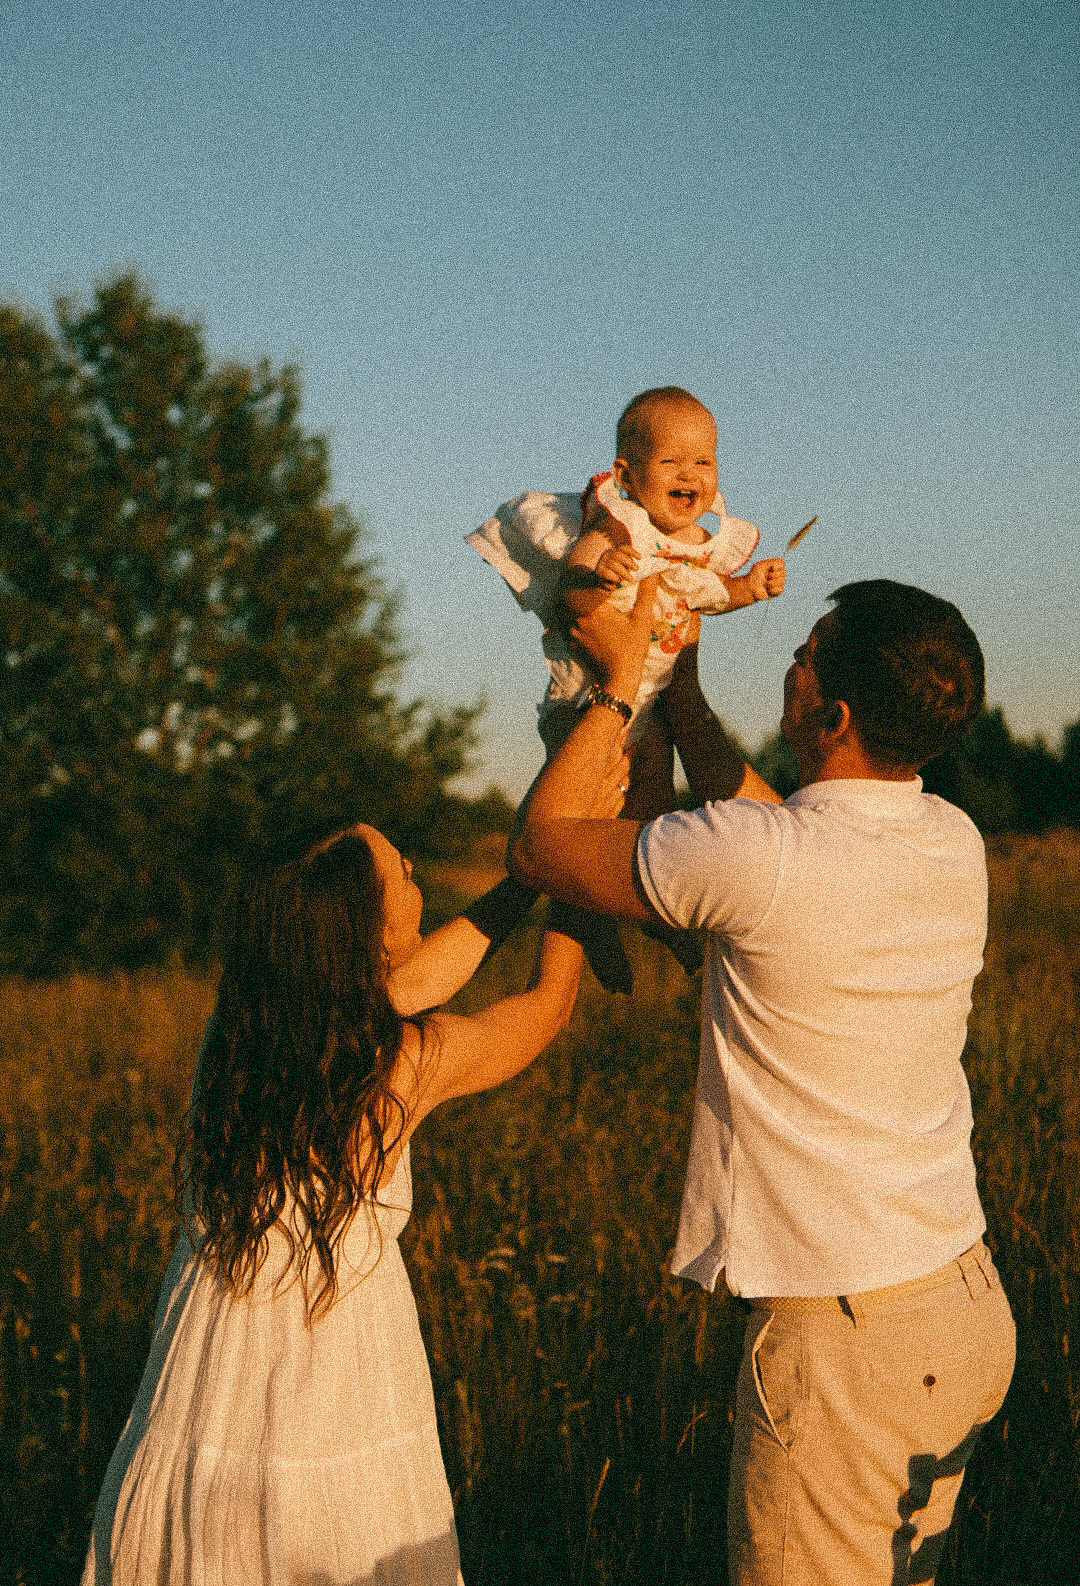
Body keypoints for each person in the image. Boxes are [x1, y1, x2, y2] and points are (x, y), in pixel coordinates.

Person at [509, 575, 1016, 1586]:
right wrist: (685, 695)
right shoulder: (948, 840)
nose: (790, 656)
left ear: (825, 711)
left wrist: (620, 686)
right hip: (959, 1306)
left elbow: (542, 846)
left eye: (807, 647)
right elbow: (774, 835)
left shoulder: (762, 857)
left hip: (842, 1346)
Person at [81, 817, 607, 1586]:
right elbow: (545, 1005)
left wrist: (529, 877)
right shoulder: (404, 1062)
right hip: (336, 1373)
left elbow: (412, 979)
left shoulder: (233, 1035)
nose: (416, 872)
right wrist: (575, 878)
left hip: (208, 1374)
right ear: (371, 933)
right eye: (403, 872)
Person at [467, 385, 784, 990]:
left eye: (704, 461)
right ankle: (592, 930)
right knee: (587, 819)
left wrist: (753, 586)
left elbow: (712, 597)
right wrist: (594, 572)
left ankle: (651, 920)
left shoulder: (699, 546)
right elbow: (574, 597)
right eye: (671, 461)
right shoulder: (618, 525)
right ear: (627, 474)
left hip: (653, 705)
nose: (690, 474)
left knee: (651, 812)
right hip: (591, 702)